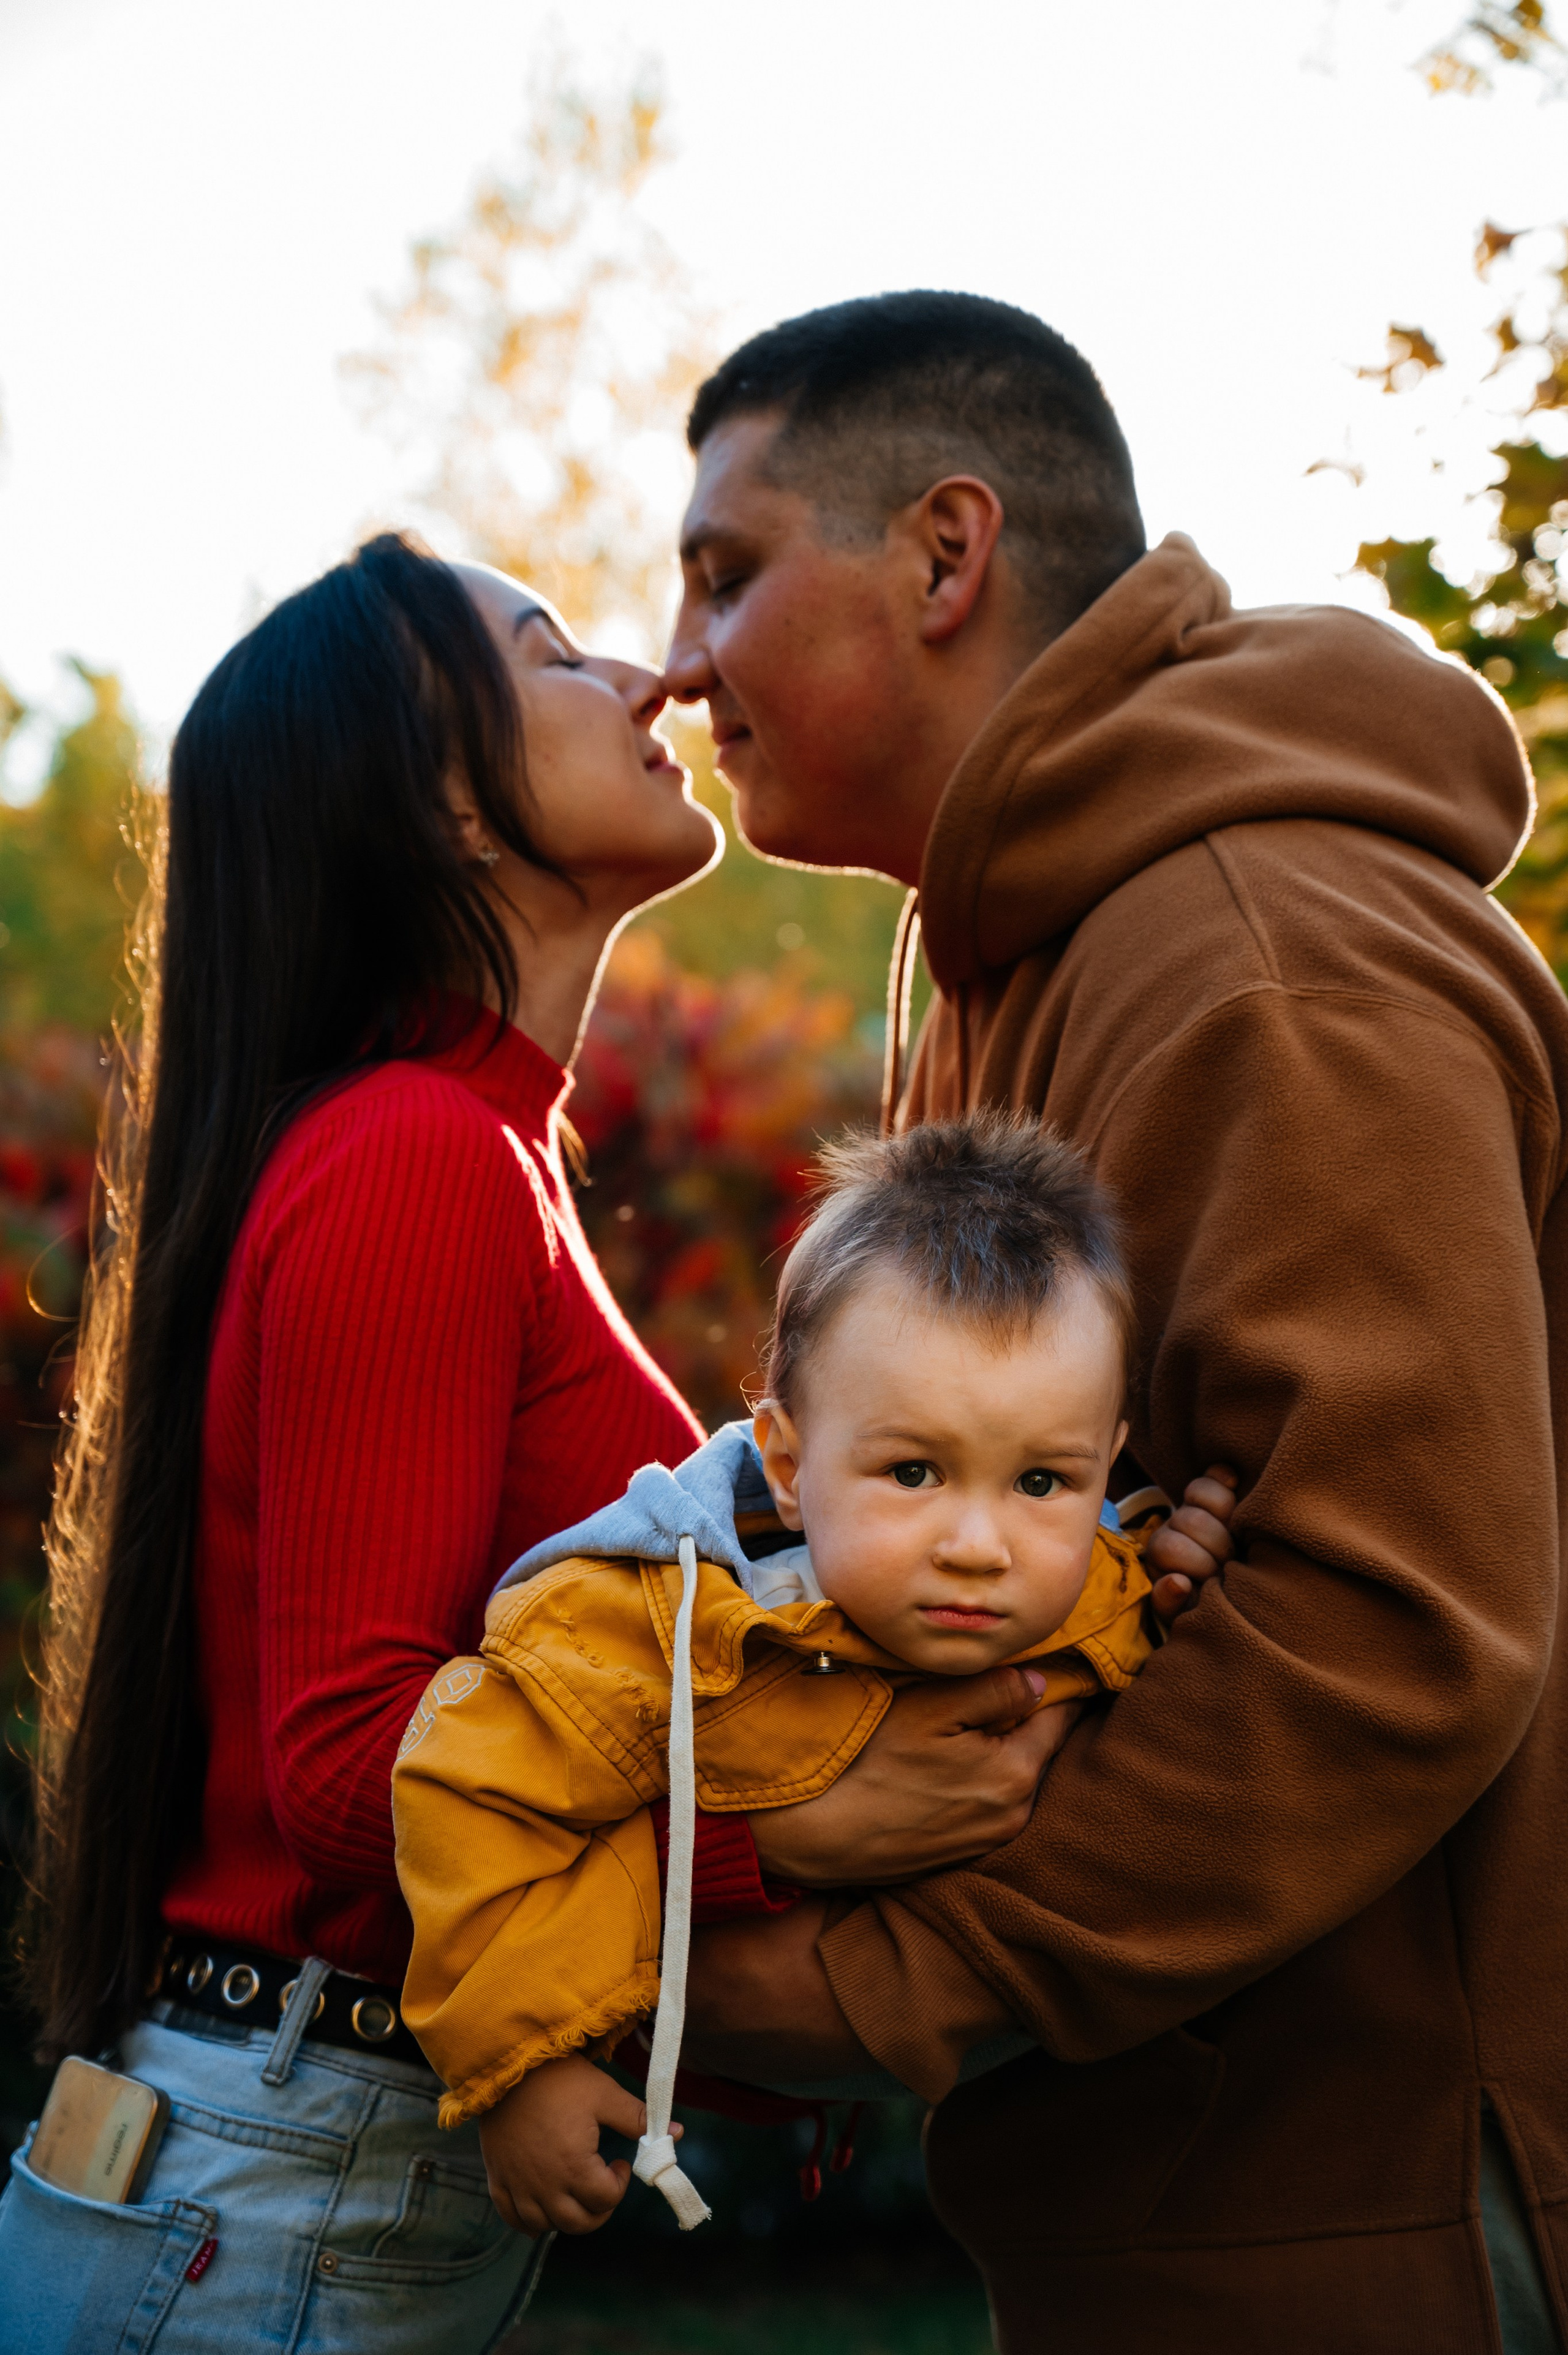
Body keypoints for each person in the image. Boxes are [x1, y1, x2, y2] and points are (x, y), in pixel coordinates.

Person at [661, 292, 1568, 2355]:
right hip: (1191, 2198)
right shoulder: (1015, 950)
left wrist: (853, 1988)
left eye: (727, 571)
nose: (683, 659)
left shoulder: (1255, 952)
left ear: (947, 554)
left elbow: (1389, 1621)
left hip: (1396, 2212)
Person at [391, 1115, 1237, 2240]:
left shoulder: (1085, 1584)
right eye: (914, 1471)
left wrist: (1169, 1578)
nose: (979, 1544)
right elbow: (468, 1797)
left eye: (1042, 1479)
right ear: (789, 1466)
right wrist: (519, 2062)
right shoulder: (654, 1631)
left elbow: (1123, 1626)